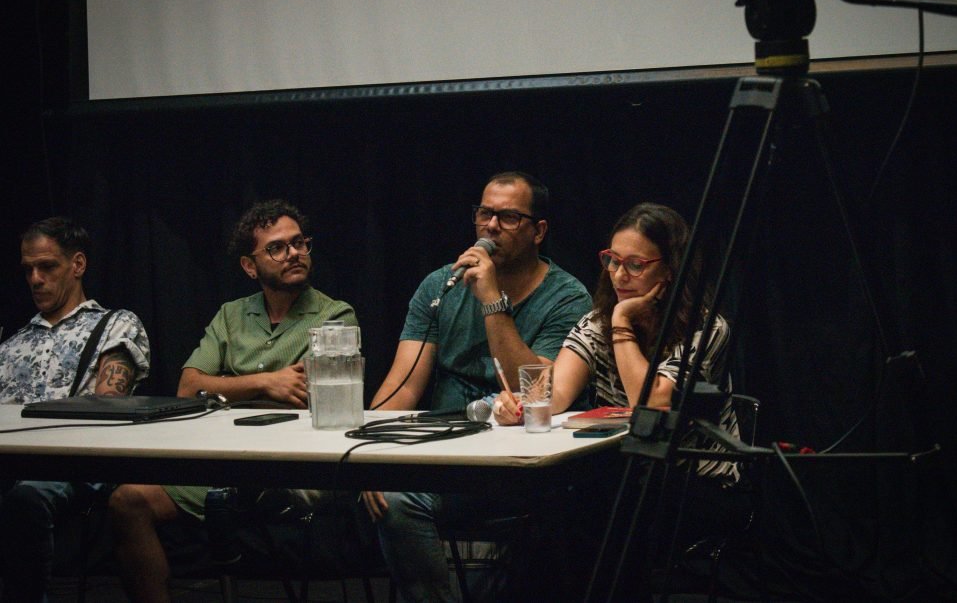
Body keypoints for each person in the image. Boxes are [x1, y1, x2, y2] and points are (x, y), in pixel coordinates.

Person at [107, 199, 357, 603]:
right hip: (217, 459)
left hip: (285, 466)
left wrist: (225, 384)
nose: (294, 253)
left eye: (299, 243)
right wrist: (266, 381)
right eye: (277, 247)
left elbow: (304, 391)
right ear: (249, 266)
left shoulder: (336, 316)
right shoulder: (231, 315)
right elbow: (188, 386)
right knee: (127, 500)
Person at [492, 202, 744, 596]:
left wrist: (623, 324)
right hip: (624, 478)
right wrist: (519, 407)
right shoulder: (596, 323)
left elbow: (652, 404)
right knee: (550, 516)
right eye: (612, 261)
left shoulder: (706, 328)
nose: (618, 276)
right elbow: (555, 394)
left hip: (694, 481)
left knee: (597, 519)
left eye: (635, 265)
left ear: (669, 270)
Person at [363, 171, 592, 602]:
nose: (490, 227)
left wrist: (492, 300)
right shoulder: (439, 286)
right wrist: (374, 459)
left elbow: (539, 389)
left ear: (538, 231)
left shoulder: (567, 296)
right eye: (485, 214)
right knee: (385, 494)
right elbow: (401, 387)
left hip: (514, 469)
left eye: (508, 218)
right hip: (442, 456)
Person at [0, 217, 151, 602]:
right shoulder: (13, 342)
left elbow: (108, 405)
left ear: (77, 265)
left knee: (25, 498)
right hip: (10, 462)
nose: (35, 279)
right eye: (28, 269)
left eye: (47, 266)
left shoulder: (114, 324)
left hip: (74, 462)